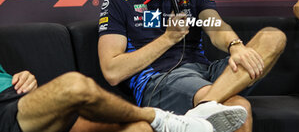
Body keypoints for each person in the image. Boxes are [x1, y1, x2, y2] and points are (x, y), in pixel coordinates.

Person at [98, 0, 286, 132]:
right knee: (239, 109)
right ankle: (206, 105)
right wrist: (168, 39)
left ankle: (202, 109)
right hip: (160, 79)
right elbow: (112, 72)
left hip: (204, 72)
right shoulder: (118, 0)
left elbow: (216, 27)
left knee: (273, 37)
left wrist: (236, 46)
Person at [0, 64, 241, 132]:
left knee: (138, 128)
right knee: (75, 85)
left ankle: (160, 121)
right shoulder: (120, 2)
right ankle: (161, 118)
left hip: (18, 96)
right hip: (5, 112)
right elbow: (113, 72)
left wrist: (21, 76)